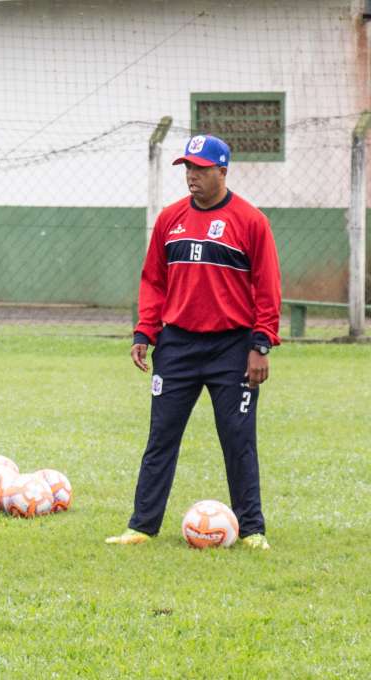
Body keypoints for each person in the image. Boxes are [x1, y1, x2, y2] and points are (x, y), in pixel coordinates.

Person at [106, 134, 280, 550]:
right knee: (160, 438)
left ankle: (252, 529)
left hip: (232, 350)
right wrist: (144, 332)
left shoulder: (251, 221)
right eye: (187, 167)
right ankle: (142, 526)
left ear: (222, 170)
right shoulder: (169, 220)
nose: (192, 176)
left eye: (201, 169)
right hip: (178, 347)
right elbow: (153, 281)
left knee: (238, 440)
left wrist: (261, 345)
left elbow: (267, 287)